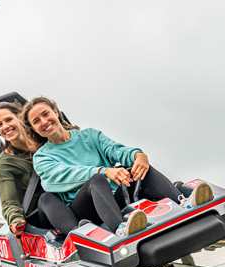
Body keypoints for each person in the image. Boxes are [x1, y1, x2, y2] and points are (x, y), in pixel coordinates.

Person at [23, 96, 212, 236]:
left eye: (45, 114)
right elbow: (60, 175)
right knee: (97, 179)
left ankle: (183, 203)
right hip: (87, 209)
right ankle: (120, 228)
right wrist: (103, 171)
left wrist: (138, 156)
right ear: (33, 129)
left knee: (138, 168)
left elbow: (115, 150)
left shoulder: (90, 136)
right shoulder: (42, 156)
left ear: (55, 112)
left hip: (115, 197)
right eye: (36, 121)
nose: (44, 122)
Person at [0, 100, 77, 236]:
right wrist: (15, 220)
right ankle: (79, 235)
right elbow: (9, 202)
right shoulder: (5, 163)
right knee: (47, 198)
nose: (5, 126)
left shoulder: (44, 137)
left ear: (20, 118)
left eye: (9, 120)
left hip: (69, 197)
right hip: (44, 212)